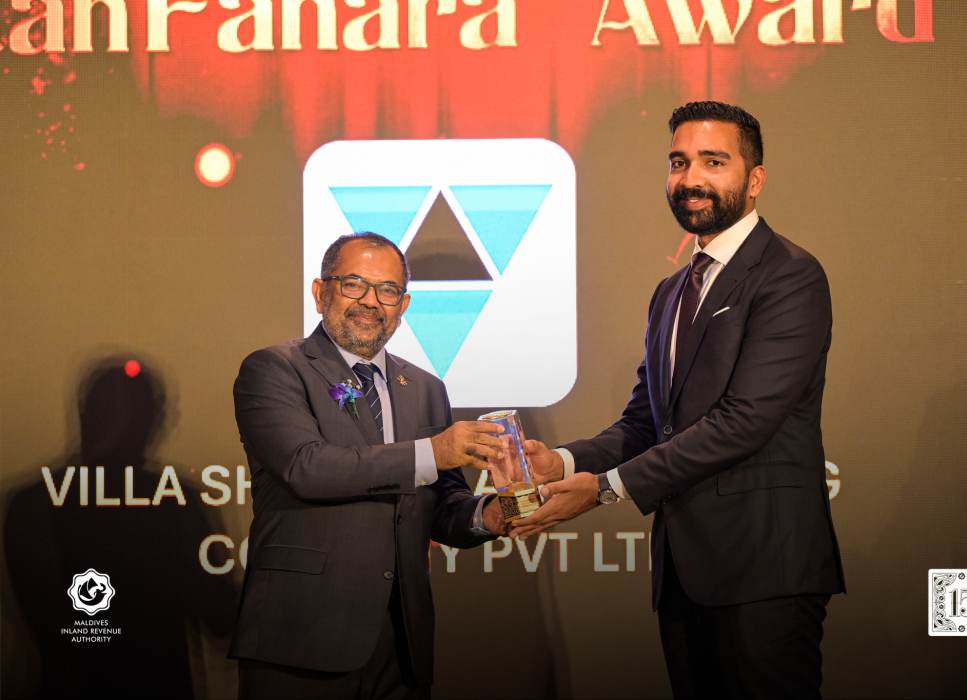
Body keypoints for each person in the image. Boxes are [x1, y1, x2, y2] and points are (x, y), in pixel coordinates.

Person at [514, 101, 846, 698]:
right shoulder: (671, 291)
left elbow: (743, 422)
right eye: (679, 162)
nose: (691, 178)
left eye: (713, 162)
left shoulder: (790, 276)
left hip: (764, 571)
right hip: (683, 575)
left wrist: (605, 488)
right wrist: (561, 463)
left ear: (755, 179)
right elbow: (647, 423)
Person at [229, 232, 506, 700]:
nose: (371, 301)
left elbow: (442, 505)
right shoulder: (275, 369)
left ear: (404, 304)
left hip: (401, 643)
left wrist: (491, 514)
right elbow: (307, 467)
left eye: (388, 290)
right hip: (301, 637)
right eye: (354, 284)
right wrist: (433, 452)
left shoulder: (426, 388)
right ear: (321, 292)